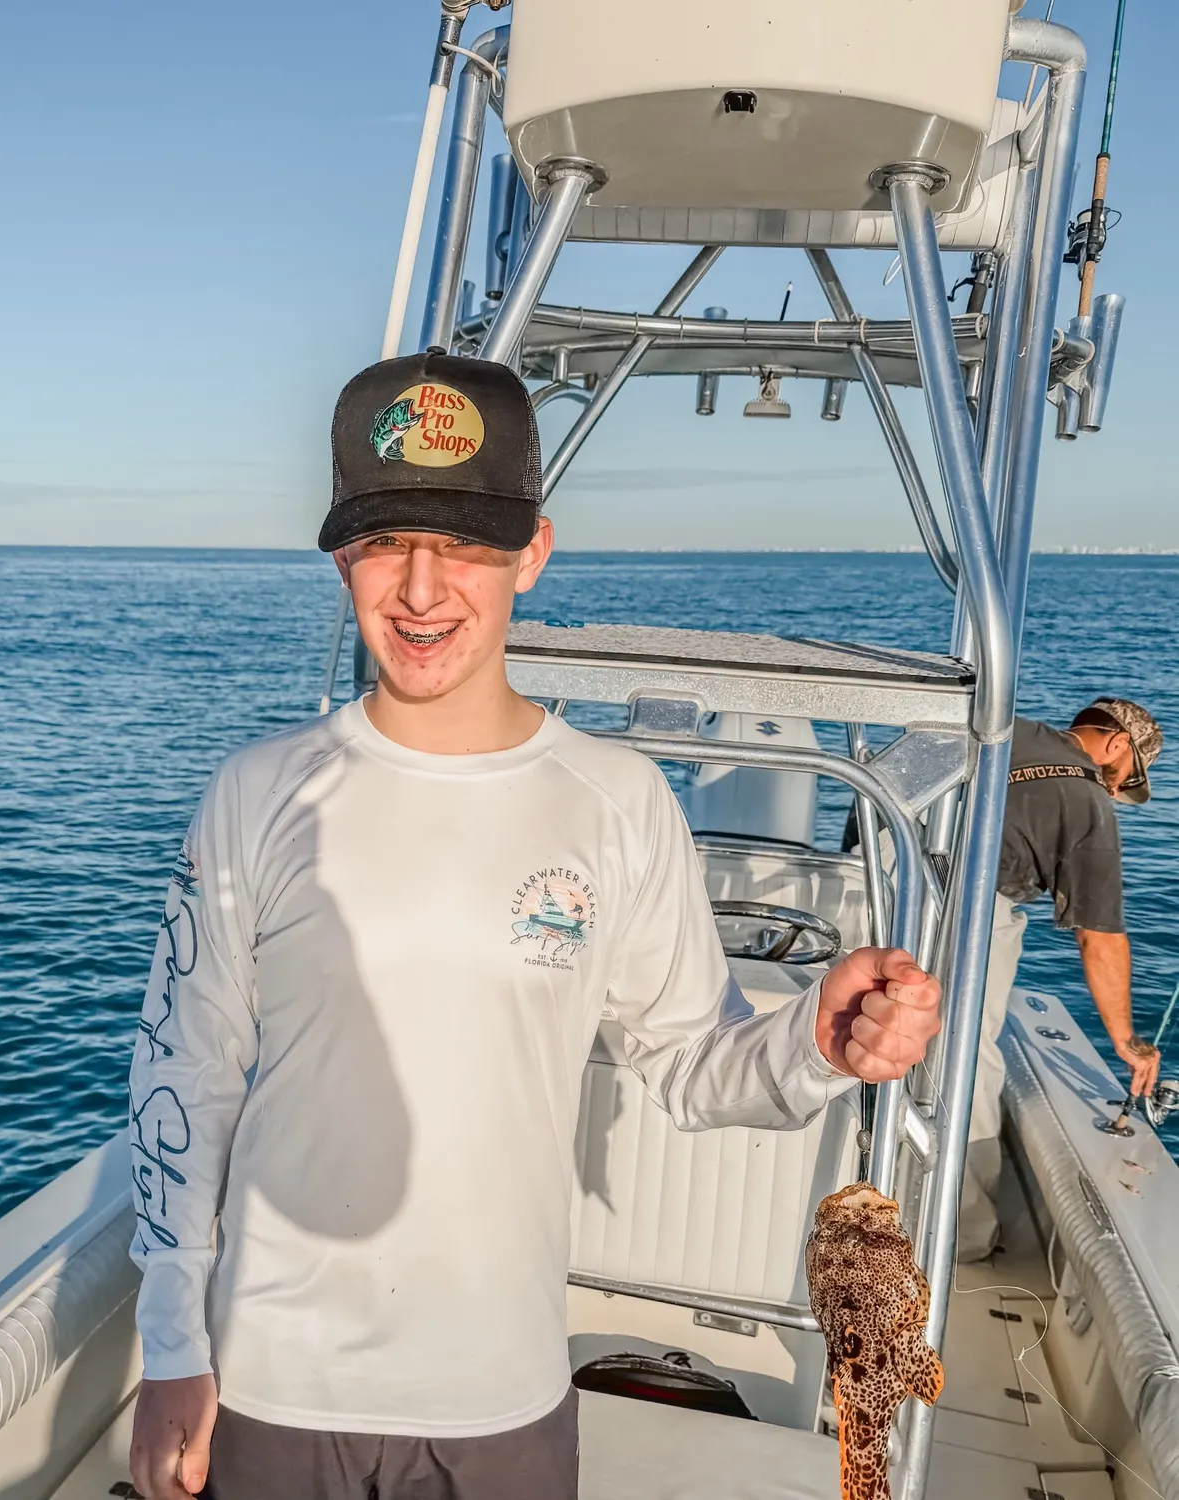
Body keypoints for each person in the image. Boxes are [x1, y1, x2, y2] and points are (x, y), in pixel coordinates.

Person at [125, 350, 943, 1500]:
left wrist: (818, 1041)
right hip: (273, 1383)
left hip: (500, 1396)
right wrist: (174, 1354)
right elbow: (184, 1074)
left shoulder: (618, 800)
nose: (420, 588)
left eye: (464, 544)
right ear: (341, 560)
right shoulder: (256, 793)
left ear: (533, 554)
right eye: (383, 543)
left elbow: (695, 1063)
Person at [960, 697, 1164, 1260]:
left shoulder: (1006, 727)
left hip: (871, 877)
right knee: (968, 1058)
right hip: (966, 910)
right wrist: (1126, 1041)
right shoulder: (1085, 797)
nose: (1119, 792)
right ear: (1118, 744)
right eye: (1127, 777)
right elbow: (1098, 935)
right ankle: (964, 1237)